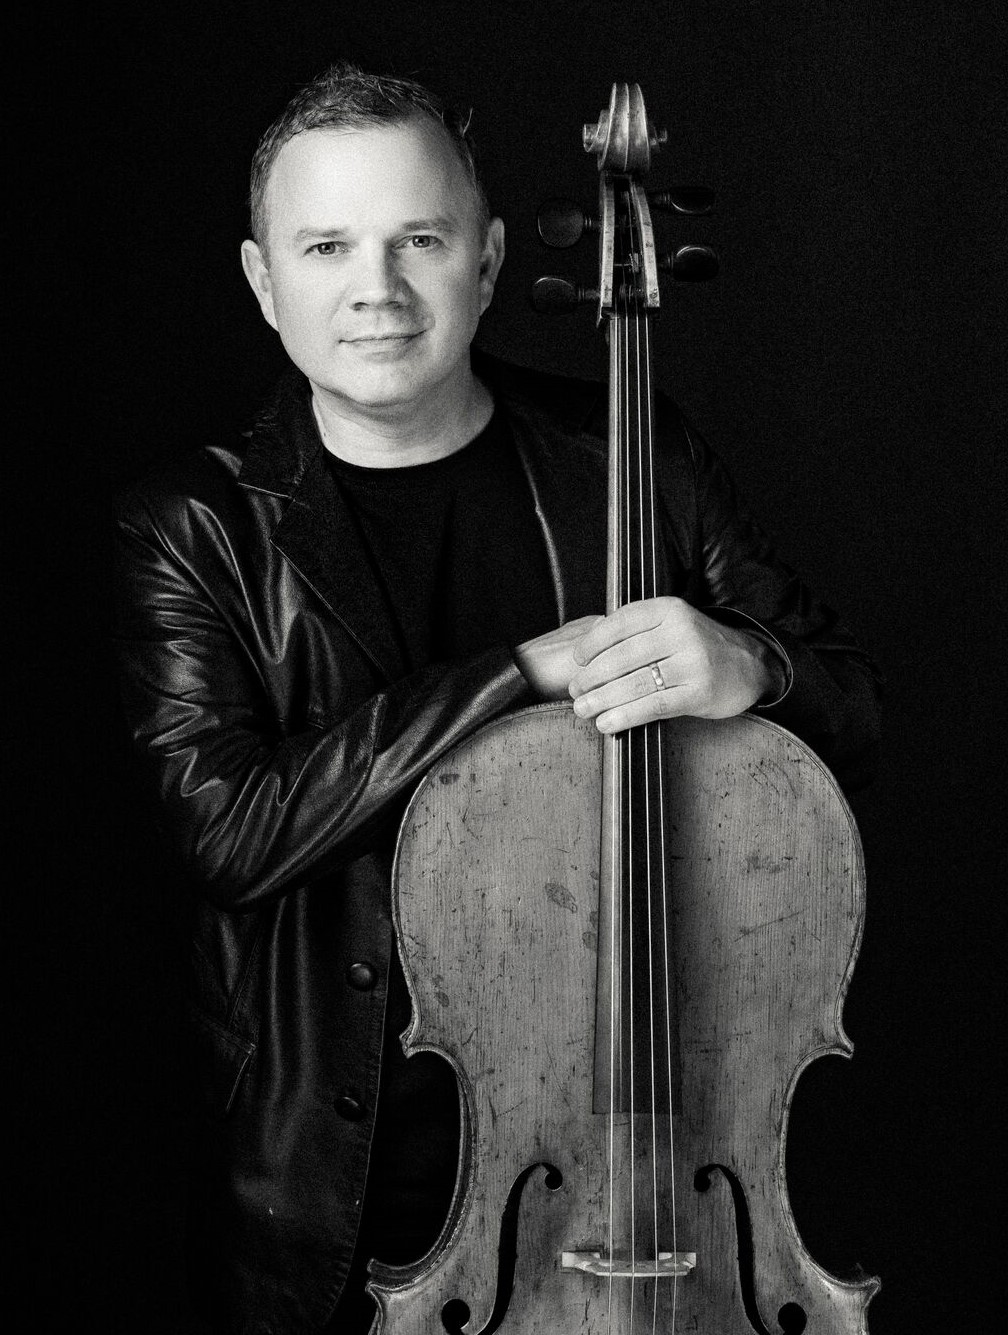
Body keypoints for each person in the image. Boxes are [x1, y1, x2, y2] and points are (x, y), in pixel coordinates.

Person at [113, 62, 881, 1335]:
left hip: (662, 1163)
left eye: (419, 237)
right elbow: (231, 830)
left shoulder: (635, 456)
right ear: (263, 280)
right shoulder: (195, 529)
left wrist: (757, 669)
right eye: (327, 246)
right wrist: (521, 672)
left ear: (490, 256)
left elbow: (856, 704)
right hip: (340, 1190)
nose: (377, 288)